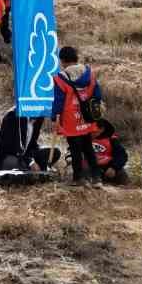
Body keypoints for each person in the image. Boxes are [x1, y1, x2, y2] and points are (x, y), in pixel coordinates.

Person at [52, 46, 103, 186]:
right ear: (76, 58)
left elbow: (58, 101)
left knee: (75, 149)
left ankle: (78, 178)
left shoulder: (60, 79)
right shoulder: (89, 74)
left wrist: (55, 117)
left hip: (70, 119)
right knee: (88, 147)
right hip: (87, 117)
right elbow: (97, 95)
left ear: (62, 60)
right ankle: (97, 178)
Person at [0, 107, 60, 175]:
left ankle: (38, 170)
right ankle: (31, 171)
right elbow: (10, 147)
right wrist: (30, 162)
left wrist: (33, 158)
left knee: (55, 152)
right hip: (8, 156)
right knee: (17, 164)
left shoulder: (39, 117)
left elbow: (32, 144)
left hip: (25, 155)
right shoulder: (13, 115)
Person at [91, 120, 130, 186]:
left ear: (102, 129)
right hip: (90, 167)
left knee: (121, 174)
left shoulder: (112, 139)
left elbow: (122, 155)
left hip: (108, 167)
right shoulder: (83, 138)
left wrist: (114, 167)